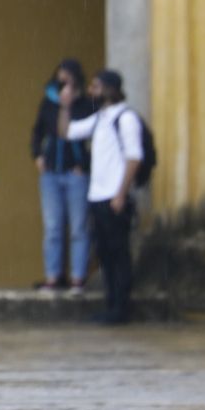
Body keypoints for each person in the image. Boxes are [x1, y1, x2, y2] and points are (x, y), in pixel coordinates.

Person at [59, 69, 142, 324]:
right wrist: (65, 106)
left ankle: (121, 308)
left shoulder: (126, 119)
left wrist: (120, 193)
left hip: (113, 197)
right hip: (97, 197)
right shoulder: (100, 118)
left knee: (118, 254)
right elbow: (66, 132)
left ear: (110, 89)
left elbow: (134, 157)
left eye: (97, 86)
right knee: (105, 254)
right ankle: (111, 305)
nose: (92, 91)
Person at [30, 59, 94, 295]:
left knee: (78, 227)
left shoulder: (86, 104)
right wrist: (37, 155)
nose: (63, 80)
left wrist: (85, 164)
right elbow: (38, 131)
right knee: (53, 227)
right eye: (60, 76)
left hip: (76, 172)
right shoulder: (48, 102)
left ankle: (78, 277)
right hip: (50, 173)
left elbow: (92, 138)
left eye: (67, 76)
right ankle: (53, 277)